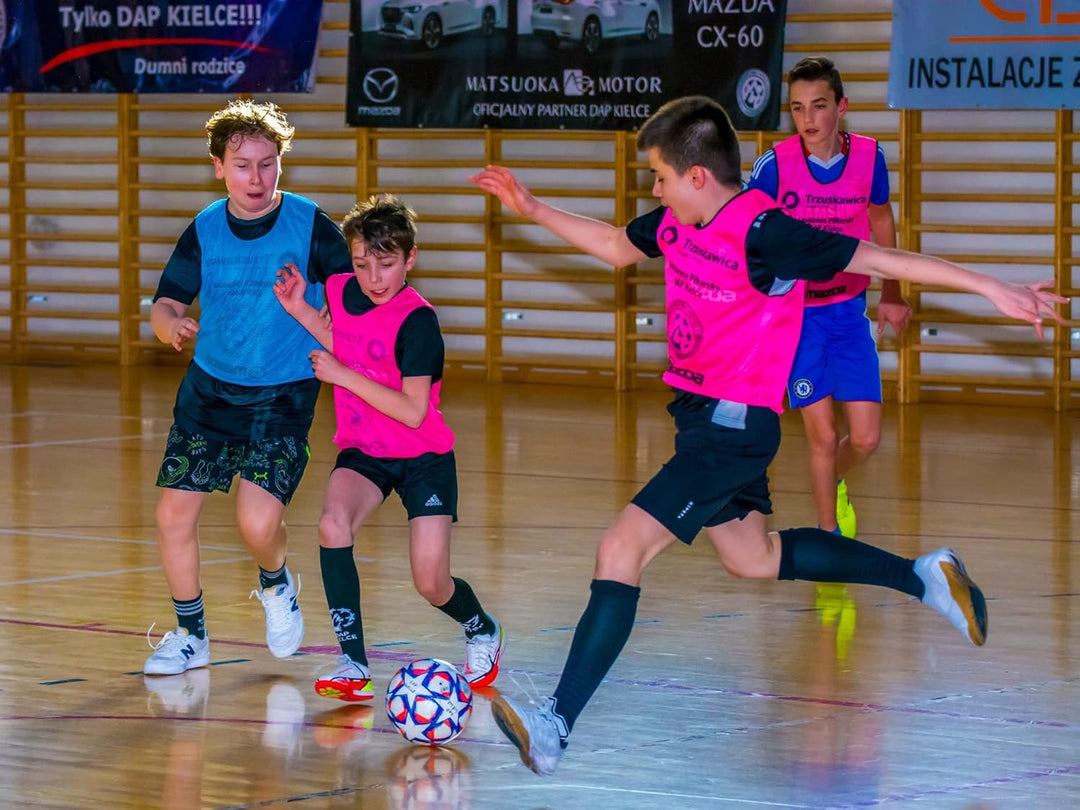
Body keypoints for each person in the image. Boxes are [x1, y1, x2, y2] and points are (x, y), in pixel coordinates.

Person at [467, 95, 1065, 776]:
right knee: (752, 557)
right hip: (700, 420)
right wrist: (534, 207)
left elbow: (877, 256)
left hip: (733, 429)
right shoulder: (676, 221)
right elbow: (611, 246)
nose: (653, 190)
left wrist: (991, 286)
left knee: (620, 548)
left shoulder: (765, 232)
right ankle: (924, 577)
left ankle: (556, 725)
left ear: (697, 177)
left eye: (659, 176)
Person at [143, 99, 353, 676]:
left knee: (258, 524)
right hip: (209, 392)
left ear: (281, 162)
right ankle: (191, 636)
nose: (256, 178)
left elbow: (350, 304)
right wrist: (170, 327)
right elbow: (165, 302)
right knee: (172, 516)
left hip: (282, 394)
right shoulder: (206, 229)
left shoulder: (309, 224)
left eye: (267, 163)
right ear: (218, 168)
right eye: (242, 166)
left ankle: (276, 581)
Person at [272, 193, 505, 702]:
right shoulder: (338, 290)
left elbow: (413, 410)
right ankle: (354, 664)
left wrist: (343, 377)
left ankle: (481, 627)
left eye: (386, 264)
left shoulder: (419, 321)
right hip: (365, 449)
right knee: (333, 526)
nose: (373, 277)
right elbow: (346, 346)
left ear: (410, 259)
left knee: (431, 583)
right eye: (361, 264)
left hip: (423, 457)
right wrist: (301, 311)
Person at [747, 55, 911, 538]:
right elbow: (748, 238)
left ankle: (832, 482)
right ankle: (828, 540)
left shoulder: (869, 157)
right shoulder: (773, 167)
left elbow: (880, 220)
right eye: (797, 109)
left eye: (818, 107)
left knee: (864, 438)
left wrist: (893, 291)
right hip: (797, 321)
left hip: (847, 314)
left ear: (842, 108)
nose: (808, 120)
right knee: (820, 437)